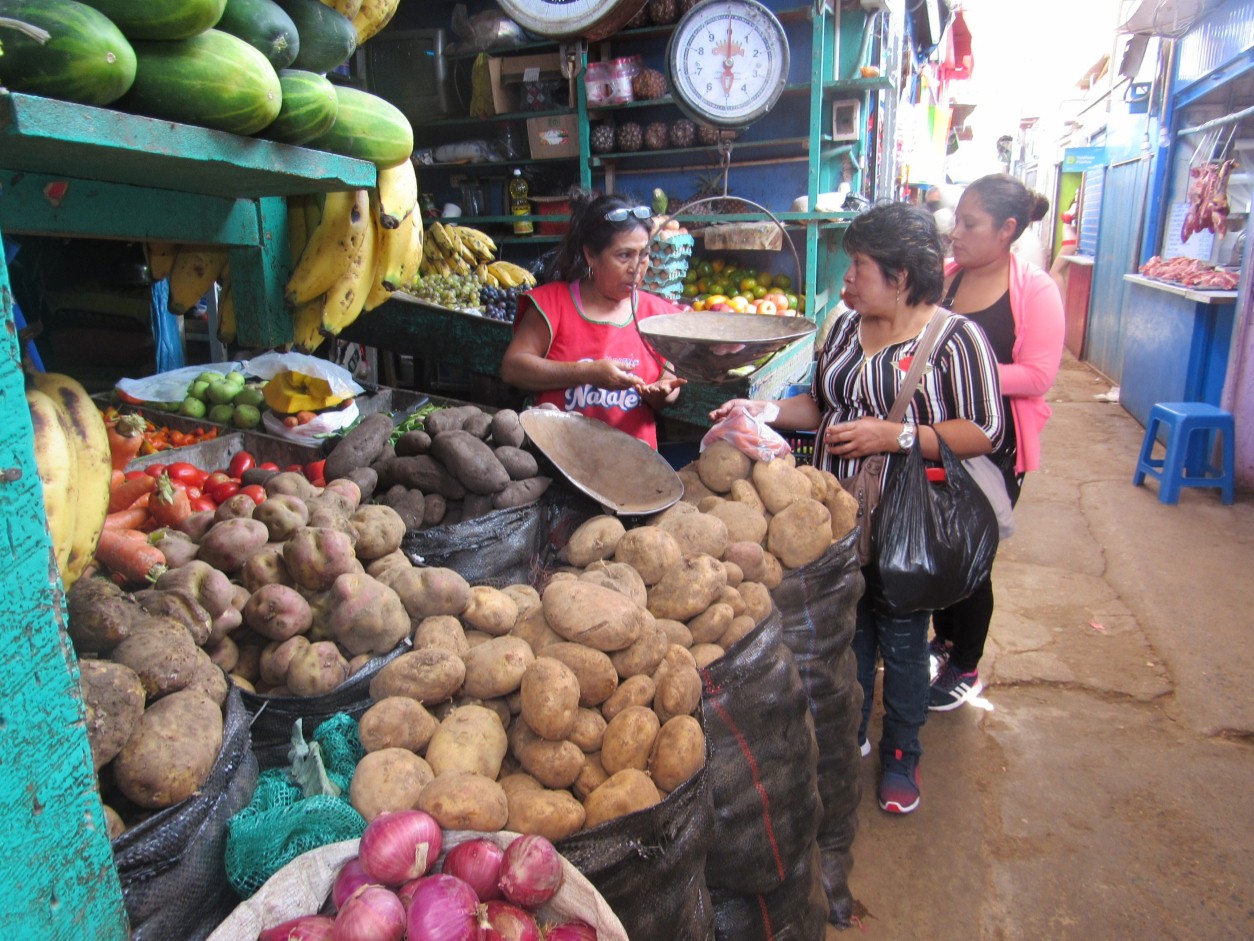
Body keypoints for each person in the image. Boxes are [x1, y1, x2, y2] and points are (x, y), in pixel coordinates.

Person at [710, 202, 1004, 814]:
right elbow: (822, 406)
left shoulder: (955, 340)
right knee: (849, 630)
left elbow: (985, 430)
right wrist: (766, 411)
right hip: (837, 519)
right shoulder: (845, 327)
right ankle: (853, 730)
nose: (845, 280)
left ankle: (902, 752)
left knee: (903, 641)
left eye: (858, 267)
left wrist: (895, 436)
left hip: (907, 526)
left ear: (901, 276)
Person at [928, 173, 1065, 711]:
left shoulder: (1035, 291)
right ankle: (944, 641)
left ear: (1007, 229)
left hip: (995, 449)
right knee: (937, 544)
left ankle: (966, 666)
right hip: (939, 438)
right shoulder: (946, 279)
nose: (956, 233)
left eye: (970, 224)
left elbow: (1038, 375)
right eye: (956, 222)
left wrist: (961, 373)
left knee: (972, 556)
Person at [500, 191, 685, 448]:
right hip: (559, 456)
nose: (636, 267)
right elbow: (512, 368)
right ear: (590, 255)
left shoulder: (657, 314)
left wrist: (663, 393)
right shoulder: (552, 304)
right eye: (624, 255)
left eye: (644, 254)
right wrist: (588, 373)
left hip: (633, 462)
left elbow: (668, 379)